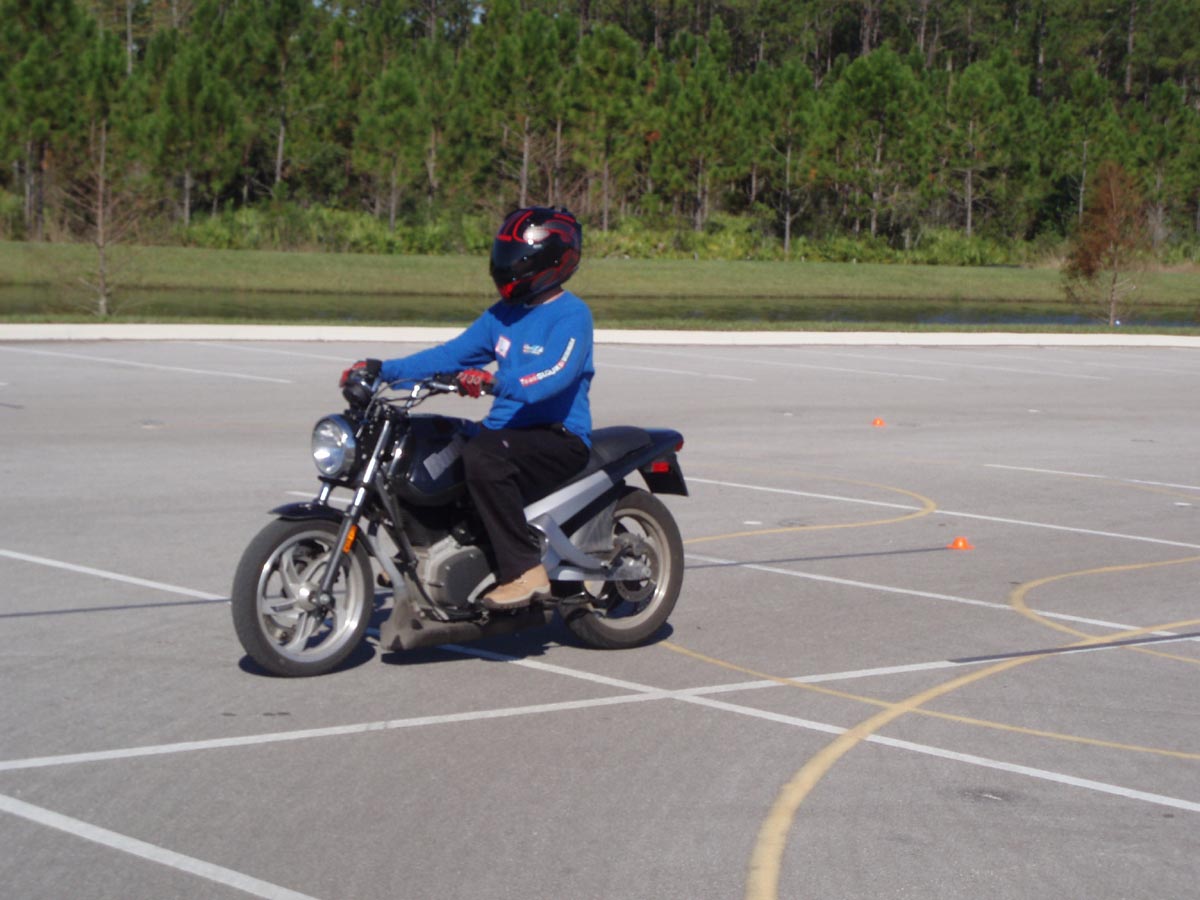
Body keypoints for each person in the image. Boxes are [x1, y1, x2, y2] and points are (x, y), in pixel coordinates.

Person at [347, 206, 594, 611]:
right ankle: (426, 552)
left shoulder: (571, 315)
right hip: (504, 432)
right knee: (423, 446)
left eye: (517, 259)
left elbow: (554, 374)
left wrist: (495, 383)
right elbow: (451, 355)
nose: (506, 266)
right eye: (503, 256)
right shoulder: (503, 315)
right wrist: (382, 371)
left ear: (548, 261)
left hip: (558, 437)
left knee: (484, 457)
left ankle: (525, 571)